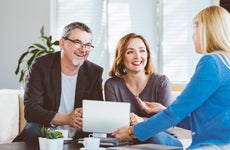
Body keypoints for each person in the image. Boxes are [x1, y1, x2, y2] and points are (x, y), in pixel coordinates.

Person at [111, 6, 230, 150]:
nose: (193, 35)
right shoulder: (224, 63)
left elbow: (176, 112)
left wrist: (131, 131)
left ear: (207, 31)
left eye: (195, 29)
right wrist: (162, 110)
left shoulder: (211, 62)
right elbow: (204, 121)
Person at [13, 22, 103, 142]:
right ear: (62, 43)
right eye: (77, 42)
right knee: (32, 128)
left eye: (87, 45)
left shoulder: (94, 72)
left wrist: (86, 115)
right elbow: (31, 110)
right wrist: (67, 118)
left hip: (79, 136)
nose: (83, 49)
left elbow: (97, 111)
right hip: (45, 133)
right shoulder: (41, 66)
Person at [104, 33, 182, 147]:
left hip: (162, 143)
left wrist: (141, 122)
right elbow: (114, 129)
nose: (137, 56)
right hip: (128, 143)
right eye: (130, 52)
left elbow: (168, 127)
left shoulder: (161, 82)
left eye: (142, 51)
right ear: (121, 57)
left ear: (148, 55)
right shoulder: (112, 85)